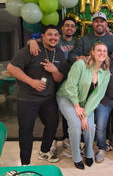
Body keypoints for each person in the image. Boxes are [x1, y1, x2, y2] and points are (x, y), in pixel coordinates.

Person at [7, 25, 66, 165]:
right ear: (43, 36)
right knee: (26, 131)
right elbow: (11, 68)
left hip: (48, 98)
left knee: (52, 124)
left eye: (56, 35)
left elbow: (59, 78)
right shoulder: (31, 49)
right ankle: (25, 163)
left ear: (59, 37)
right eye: (50, 34)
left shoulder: (59, 53)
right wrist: (31, 82)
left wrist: (54, 70)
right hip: (27, 98)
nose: (53, 37)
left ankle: (44, 151)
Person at [56, 42, 110, 170]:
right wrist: (76, 107)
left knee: (90, 126)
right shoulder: (80, 64)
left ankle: (89, 152)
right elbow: (70, 86)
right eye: (99, 50)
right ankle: (76, 156)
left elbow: (97, 96)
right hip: (67, 97)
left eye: (104, 51)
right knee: (76, 125)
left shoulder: (106, 73)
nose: (102, 53)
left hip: (86, 103)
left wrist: (84, 114)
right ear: (92, 52)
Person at [28, 17, 77, 156]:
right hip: (50, 81)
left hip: (67, 79)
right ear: (61, 29)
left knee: (67, 113)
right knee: (51, 115)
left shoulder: (77, 41)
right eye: (67, 25)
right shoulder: (55, 39)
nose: (70, 28)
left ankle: (66, 138)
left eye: (72, 26)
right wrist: (31, 41)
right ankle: (52, 140)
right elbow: (37, 40)